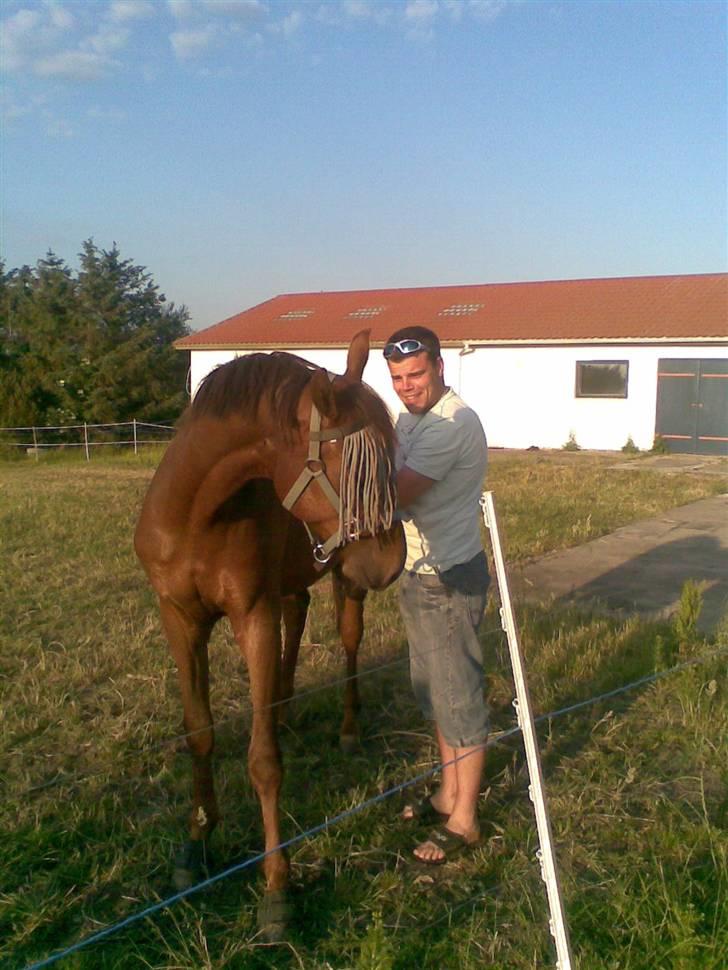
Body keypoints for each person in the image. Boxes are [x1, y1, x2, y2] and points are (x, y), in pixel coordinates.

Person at [384, 325, 490, 864]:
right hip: (418, 575)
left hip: (449, 579)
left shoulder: (452, 423)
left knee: (460, 699)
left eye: (416, 374)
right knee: (435, 694)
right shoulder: (411, 419)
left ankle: (465, 820)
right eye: (398, 378)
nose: (407, 386)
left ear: (440, 367)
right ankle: (448, 792)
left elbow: (393, 493)